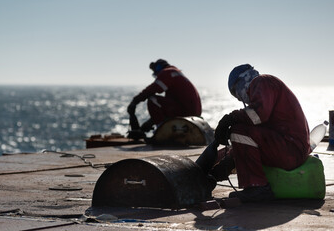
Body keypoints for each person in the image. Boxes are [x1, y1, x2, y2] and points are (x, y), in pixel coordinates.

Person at [211, 64, 311, 202]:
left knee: (239, 130)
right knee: (238, 135)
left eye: (235, 92)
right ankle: (255, 185)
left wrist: (231, 118)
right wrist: (230, 160)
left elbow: (258, 115)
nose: (239, 99)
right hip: (291, 149)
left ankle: (257, 187)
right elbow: (257, 136)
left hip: (290, 148)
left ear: (242, 81)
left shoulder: (262, 81)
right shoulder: (268, 90)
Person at [127, 59, 202, 139]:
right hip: (193, 112)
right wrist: (150, 123)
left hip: (185, 111)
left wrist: (135, 101)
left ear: (160, 67)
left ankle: (161, 132)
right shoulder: (177, 73)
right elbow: (170, 108)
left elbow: (153, 89)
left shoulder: (167, 72)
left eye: (156, 69)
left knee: (153, 99)